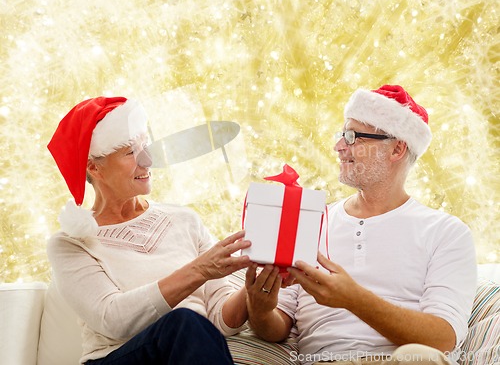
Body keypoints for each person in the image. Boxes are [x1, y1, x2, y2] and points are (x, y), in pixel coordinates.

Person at [245, 85, 477, 365]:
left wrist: (353, 299)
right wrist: (260, 310)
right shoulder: (312, 221)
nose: (339, 146)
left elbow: (442, 339)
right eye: (342, 135)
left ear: (397, 149)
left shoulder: (446, 232)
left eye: (353, 136)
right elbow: (277, 326)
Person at [46, 96, 252, 365]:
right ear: (94, 167)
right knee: (184, 323)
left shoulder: (184, 220)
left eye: (145, 146)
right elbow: (113, 319)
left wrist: (252, 289)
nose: (148, 159)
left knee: (189, 326)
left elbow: (222, 320)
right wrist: (199, 270)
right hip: (116, 359)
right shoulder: (71, 243)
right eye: (130, 152)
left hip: (188, 353)